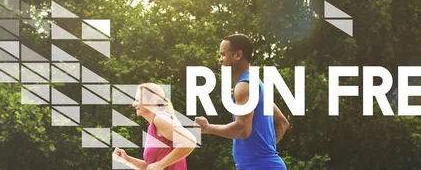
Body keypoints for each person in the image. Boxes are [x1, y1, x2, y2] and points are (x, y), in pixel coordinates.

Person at [194, 34, 290, 169]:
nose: (220, 60)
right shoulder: (256, 84)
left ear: (238, 55)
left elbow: (242, 129)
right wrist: (264, 152)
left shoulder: (244, 87)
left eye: (223, 55)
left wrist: (207, 128)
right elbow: (282, 122)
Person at [114, 83, 196, 170]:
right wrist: (126, 159)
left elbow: (189, 141)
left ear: (152, 101)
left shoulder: (160, 119)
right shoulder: (152, 126)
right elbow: (151, 167)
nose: (134, 104)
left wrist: (160, 164)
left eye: (138, 100)